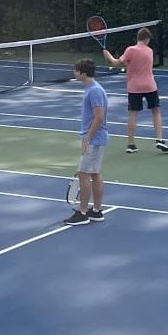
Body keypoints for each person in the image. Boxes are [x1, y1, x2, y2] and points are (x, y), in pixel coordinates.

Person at [106, 27, 168, 154]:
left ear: (138, 38)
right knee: (155, 111)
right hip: (150, 85)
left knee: (133, 114)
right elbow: (134, 64)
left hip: (134, 87)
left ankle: (131, 144)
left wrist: (108, 56)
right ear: (147, 39)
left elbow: (116, 63)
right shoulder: (149, 51)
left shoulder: (130, 50)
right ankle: (159, 140)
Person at [64, 58, 107, 224]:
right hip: (96, 139)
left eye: (76, 71)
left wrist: (88, 138)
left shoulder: (94, 91)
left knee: (84, 174)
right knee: (95, 174)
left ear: (82, 73)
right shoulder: (92, 89)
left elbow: (99, 116)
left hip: (94, 139)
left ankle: (82, 213)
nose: (74, 73)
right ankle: (96, 211)